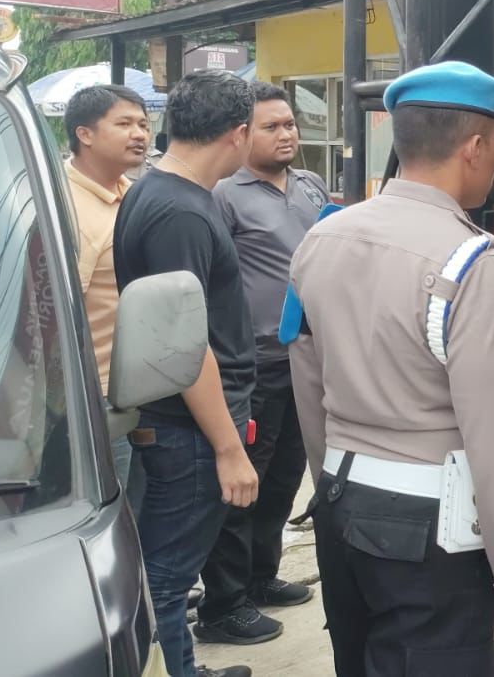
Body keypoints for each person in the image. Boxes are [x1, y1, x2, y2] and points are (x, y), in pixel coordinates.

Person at [288, 61, 494, 675]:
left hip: (339, 500)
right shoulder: (473, 264)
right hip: (428, 530)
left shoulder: (323, 237)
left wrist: (331, 481)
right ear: (474, 148)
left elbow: (306, 376)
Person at [114, 69, 259, 677]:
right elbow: (187, 345)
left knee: (167, 571)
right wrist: (229, 448)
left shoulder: (155, 191)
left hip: (179, 419)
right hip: (190, 429)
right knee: (166, 580)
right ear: (239, 133)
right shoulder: (182, 213)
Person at [195, 83, 328, 646]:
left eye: (290, 124)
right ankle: (224, 602)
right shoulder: (224, 195)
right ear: (243, 134)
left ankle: (260, 577)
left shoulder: (311, 185)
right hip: (253, 363)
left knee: (283, 478)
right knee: (243, 481)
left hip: (306, 358)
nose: (286, 134)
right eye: (271, 127)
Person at [62, 84, 150, 485]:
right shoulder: (65, 207)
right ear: (85, 134)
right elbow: (58, 315)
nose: (139, 134)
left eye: (143, 124)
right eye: (124, 124)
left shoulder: (134, 193)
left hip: (144, 389)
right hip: (94, 397)